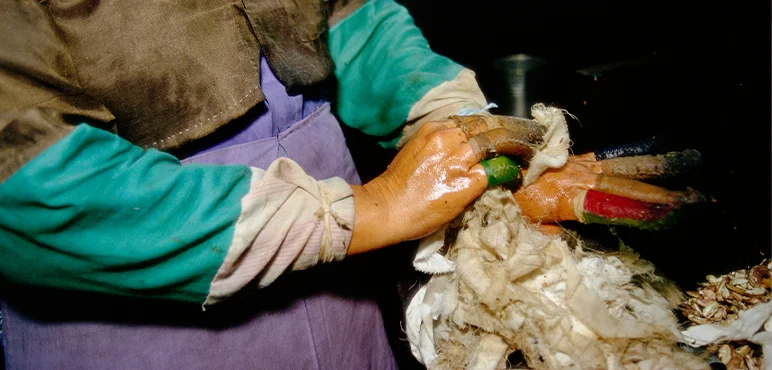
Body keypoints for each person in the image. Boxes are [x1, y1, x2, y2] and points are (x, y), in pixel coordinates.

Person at [0, 0, 700, 368]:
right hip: (146, 307)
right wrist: (362, 211)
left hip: (341, 295)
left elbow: (347, 23)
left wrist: (464, 136)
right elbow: (27, 183)